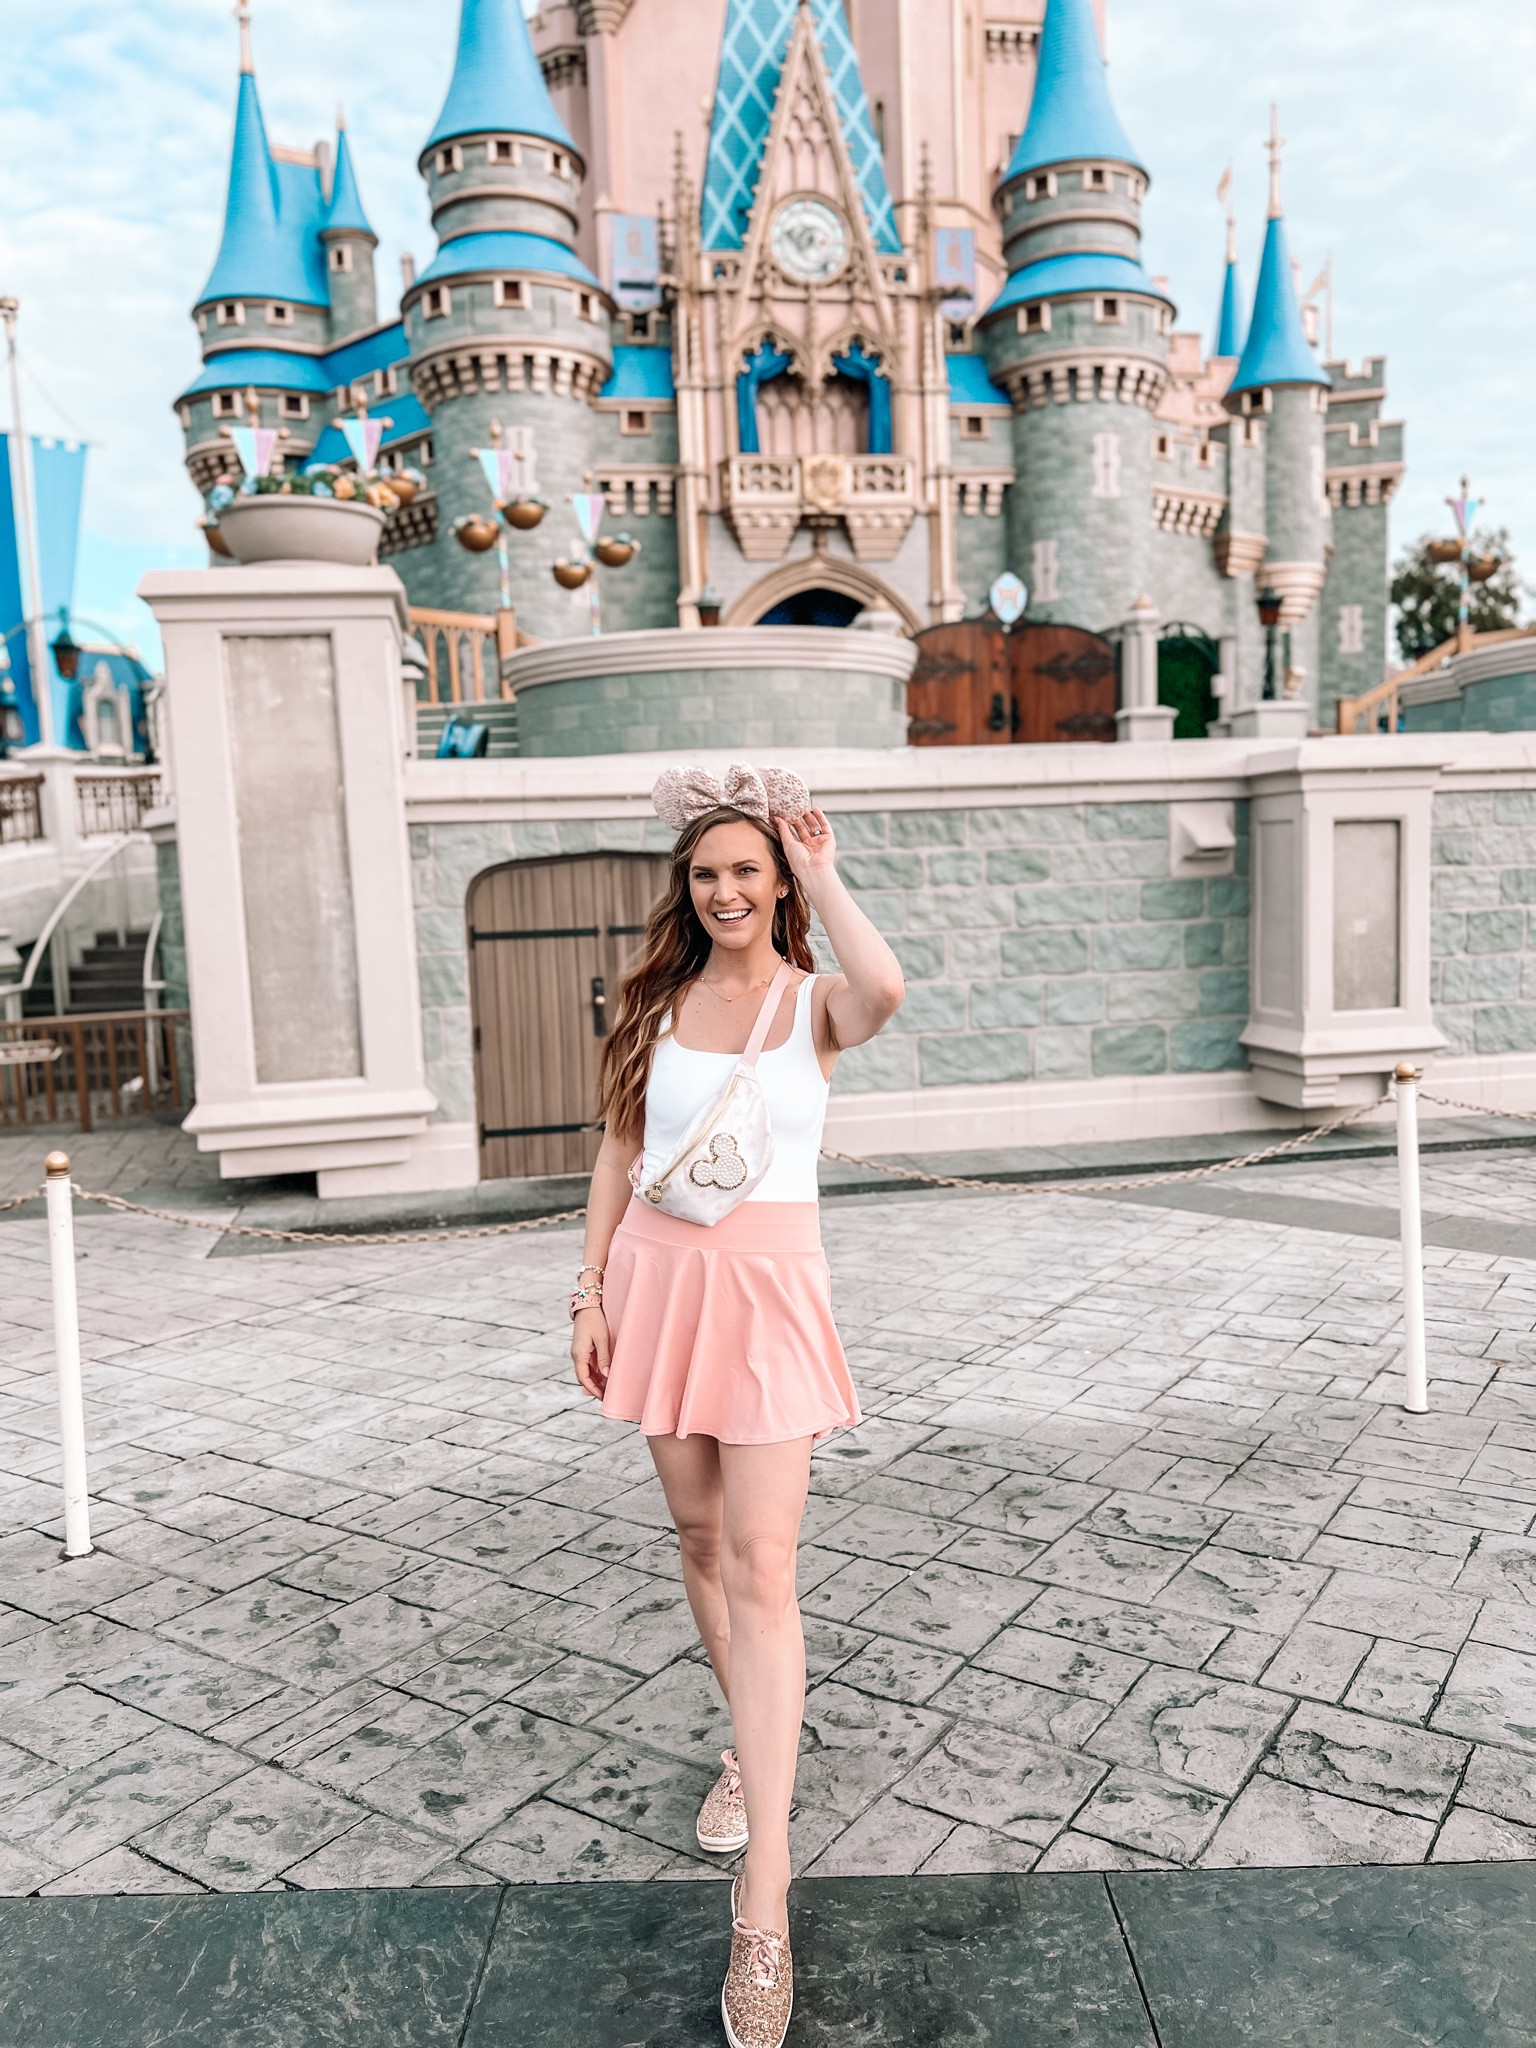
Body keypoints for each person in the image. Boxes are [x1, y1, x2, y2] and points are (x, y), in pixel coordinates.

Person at [569, 763, 904, 2048]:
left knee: (766, 1565)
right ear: (687, 886)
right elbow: (615, 1147)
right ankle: (743, 1743)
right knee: (701, 1544)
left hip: (767, 1292)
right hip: (659, 1283)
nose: (723, 892)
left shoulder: (814, 1001)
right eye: (706, 874)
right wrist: (589, 1290)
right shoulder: (655, 1001)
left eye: (745, 873)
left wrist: (820, 857)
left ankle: (762, 1898)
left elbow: (888, 990)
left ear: (773, 884)